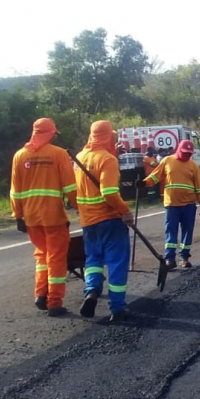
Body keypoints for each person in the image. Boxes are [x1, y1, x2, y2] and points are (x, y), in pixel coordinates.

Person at [10, 118, 79, 316]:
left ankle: (41, 295)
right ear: (50, 133)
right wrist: (80, 207)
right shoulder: (58, 154)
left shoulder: (19, 156)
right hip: (53, 216)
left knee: (42, 256)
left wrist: (18, 216)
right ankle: (54, 302)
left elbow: (15, 191)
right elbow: (70, 187)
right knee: (56, 259)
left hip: (31, 217)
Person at [74, 121, 135, 322]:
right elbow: (108, 192)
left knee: (93, 258)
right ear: (108, 136)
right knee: (117, 262)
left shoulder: (80, 157)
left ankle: (92, 290)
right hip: (109, 219)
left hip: (88, 221)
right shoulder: (107, 159)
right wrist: (125, 210)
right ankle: (117, 307)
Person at [145, 140, 200, 269]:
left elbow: (199, 186)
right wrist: (145, 183)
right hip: (172, 204)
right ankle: (170, 259)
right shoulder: (167, 161)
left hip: (189, 205)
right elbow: (155, 176)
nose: (186, 155)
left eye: (189, 153)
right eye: (184, 152)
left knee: (187, 231)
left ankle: (184, 257)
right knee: (171, 231)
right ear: (179, 150)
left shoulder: (194, 166)